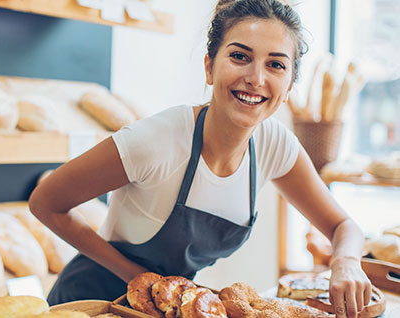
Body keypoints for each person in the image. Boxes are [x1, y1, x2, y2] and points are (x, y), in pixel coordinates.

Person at [29, 1, 371, 317]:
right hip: (92, 303)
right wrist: (142, 279)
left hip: (171, 306)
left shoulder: (275, 145)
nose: (256, 78)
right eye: (240, 56)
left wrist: (347, 263)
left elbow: (344, 227)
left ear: (289, 86)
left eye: (276, 64)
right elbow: (45, 202)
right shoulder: (155, 140)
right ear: (209, 67)